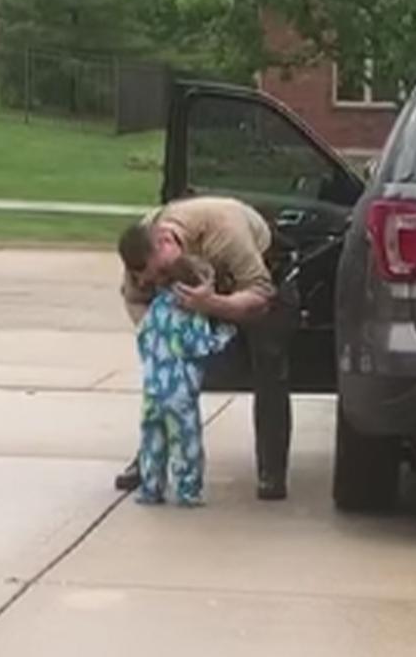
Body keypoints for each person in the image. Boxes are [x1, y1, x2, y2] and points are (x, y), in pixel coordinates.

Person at [115, 196, 299, 500]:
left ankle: (272, 472)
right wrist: (159, 335)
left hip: (259, 283)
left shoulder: (225, 230)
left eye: (162, 273)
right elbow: (134, 297)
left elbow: (260, 294)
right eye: (154, 278)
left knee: (269, 364)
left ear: (166, 240)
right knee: (164, 383)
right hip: (199, 292)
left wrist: (212, 304)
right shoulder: (143, 238)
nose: (160, 281)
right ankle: (147, 462)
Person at [118, 227, 237, 507]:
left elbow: (143, 336)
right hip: (179, 392)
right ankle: (187, 489)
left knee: (153, 441)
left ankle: (151, 487)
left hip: (153, 388)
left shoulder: (156, 310)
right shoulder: (191, 314)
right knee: (185, 442)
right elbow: (200, 346)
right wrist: (226, 332)